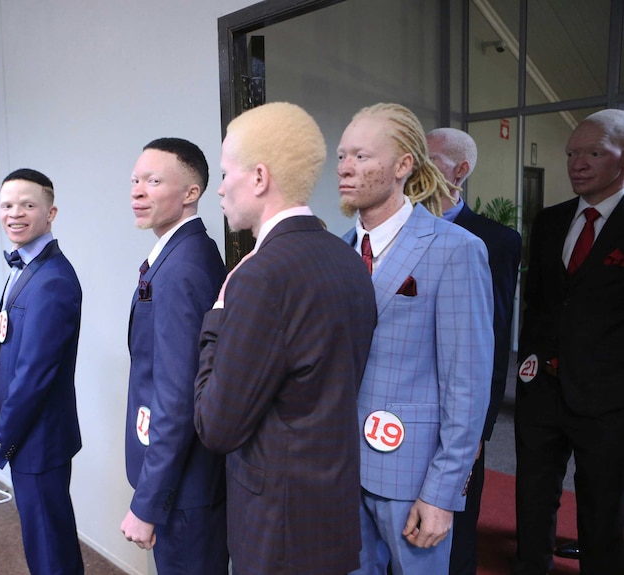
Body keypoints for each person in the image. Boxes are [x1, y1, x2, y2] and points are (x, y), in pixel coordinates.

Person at [193, 102, 377, 575]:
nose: (218, 189)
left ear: (258, 177)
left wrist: (215, 318)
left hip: (277, 526)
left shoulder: (261, 276)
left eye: (224, 173)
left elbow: (217, 426)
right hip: (331, 508)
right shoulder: (348, 260)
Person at [337, 103, 493, 574]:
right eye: (342, 156)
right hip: (339, 468)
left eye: (362, 156)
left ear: (403, 165)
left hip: (411, 472)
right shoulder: (338, 251)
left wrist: (442, 494)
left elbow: (467, 384)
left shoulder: (455, 250)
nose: (346, 167)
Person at [512, 109, 624, 574]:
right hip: (542, 390)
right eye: (572, 153)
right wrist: (529, 368)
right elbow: (539, 303)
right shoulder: (551, 221)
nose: (577, 163)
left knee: (604, 507)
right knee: (533, 495)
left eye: (593, 152)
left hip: (609, 399)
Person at [120, 138, 228, 573]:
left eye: (153, 180)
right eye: (134, 180)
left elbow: (177, 395)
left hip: (184, 486)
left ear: (190, 193)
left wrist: (147, 504)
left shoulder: (183, 266)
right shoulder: (184, 252)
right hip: (184, 480)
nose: (137, 191)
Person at [0, 168, 84, 575]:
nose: (14, 213)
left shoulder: (52, 278)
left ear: (50, 211)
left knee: (49, 549)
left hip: (38, 440)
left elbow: (34, 375)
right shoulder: (24, 267)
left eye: (27, 205)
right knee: (45, 541)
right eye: (7, 205)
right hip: (27, 434)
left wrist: (3, 437)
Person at [425, 127, 522, 575]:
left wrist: (479, 430)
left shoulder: (494, 241)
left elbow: (495, 337)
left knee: (455, 526)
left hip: (457, 411)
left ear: (460, 170)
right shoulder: (393, 231)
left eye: (429, 158)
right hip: (397, 411)